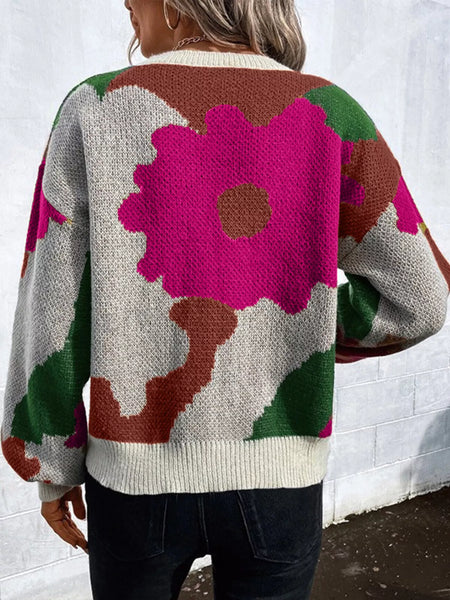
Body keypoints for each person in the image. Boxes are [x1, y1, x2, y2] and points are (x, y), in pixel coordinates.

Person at [1, 1, 449, 599]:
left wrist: (50, 464)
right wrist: (300, 330)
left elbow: (52, 305)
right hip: (280, 483)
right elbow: (420, 298)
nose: (126, 4)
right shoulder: (330, 112)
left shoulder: (95, 107)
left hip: (133, 485)